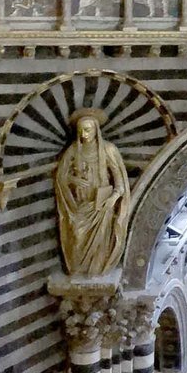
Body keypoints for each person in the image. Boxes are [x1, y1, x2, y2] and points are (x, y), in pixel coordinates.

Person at [54, 110, 129, 276]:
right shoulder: (74, 151)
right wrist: (73, 180)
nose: (84, 134)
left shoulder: (109, 150)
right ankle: (79, 270)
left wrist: (112, 199)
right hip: (80, 206)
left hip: (101, 206)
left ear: (96, 130)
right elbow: (61, 176)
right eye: (81, 130)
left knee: (101, 241)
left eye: (88, 129)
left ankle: (96, 270)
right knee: (77, 234)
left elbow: (120, 184)